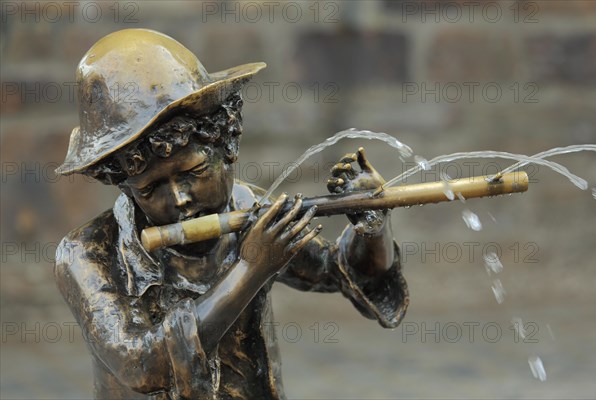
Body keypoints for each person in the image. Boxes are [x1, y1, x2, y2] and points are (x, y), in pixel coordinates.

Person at [55, 28, 409, 399]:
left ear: (226, 145)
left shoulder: (246, 208)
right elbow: (143, 366)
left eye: (192, 172)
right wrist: (251, 267)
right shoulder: (86, 254)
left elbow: (337, 272)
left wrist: (372, 226)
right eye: (149, 189)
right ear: (124, 183)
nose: (178, 199)